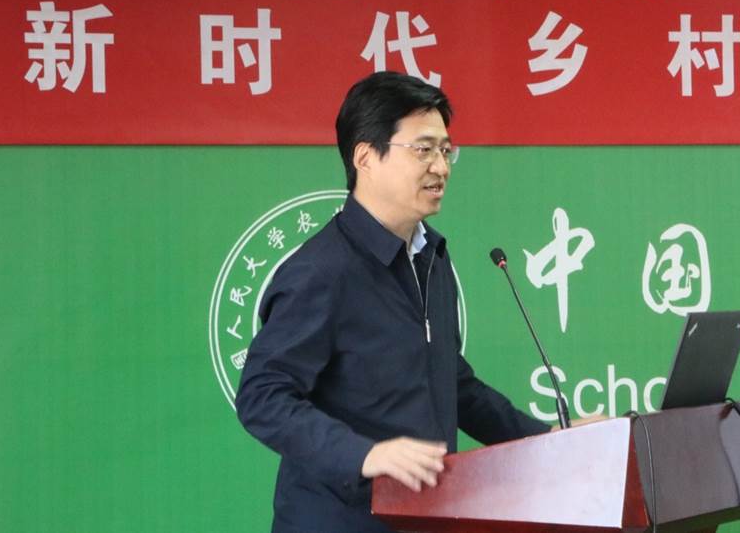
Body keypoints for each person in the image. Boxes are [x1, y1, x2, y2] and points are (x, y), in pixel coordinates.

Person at [235, 71, 550, 533]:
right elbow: (262, 396)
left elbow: (454, 386)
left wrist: (549, 441)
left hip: (424, 519)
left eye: (445, 150)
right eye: (423, 149)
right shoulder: (321, 272)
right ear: (365, 157)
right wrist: (365, 455)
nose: (440, 167)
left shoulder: (431, 257)